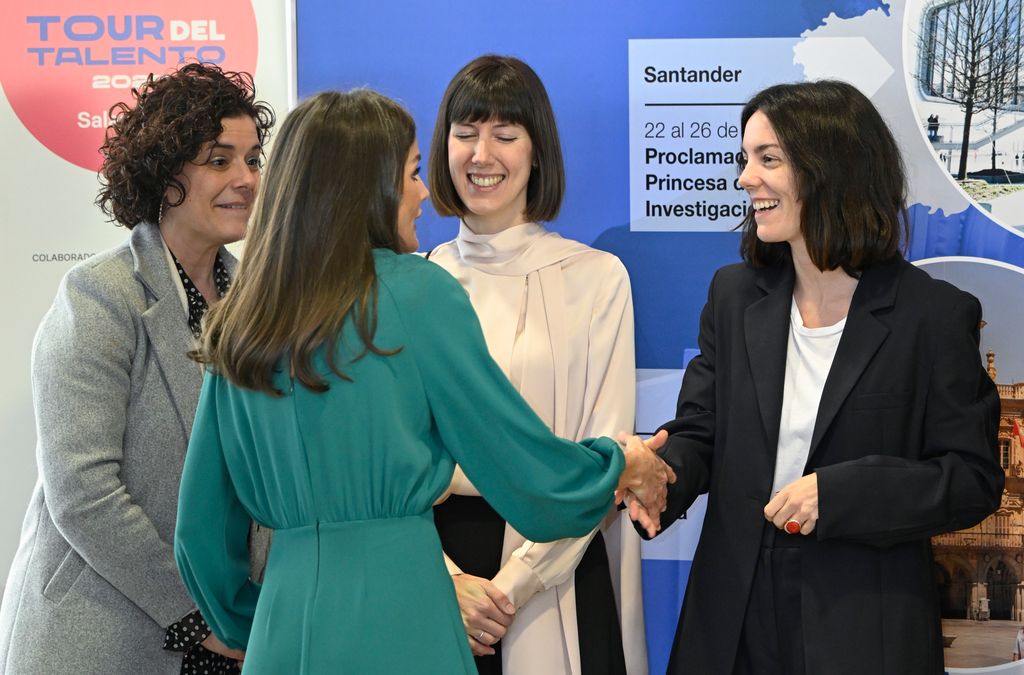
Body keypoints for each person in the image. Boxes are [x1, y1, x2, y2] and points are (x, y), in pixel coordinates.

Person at [172, 88, 671, 674]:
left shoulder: (241, 317)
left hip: (284, 632)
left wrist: (261, 622)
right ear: (367, 187)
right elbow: (535, 484)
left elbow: (200, 534)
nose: (424, 192)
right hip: (402, 621)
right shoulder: (418, 292)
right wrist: (621, 461)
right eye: (410, 173)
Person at [646, 80, 1002, 675]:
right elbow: (702, 432)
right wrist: (661, 472)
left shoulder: (933, 316)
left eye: (768, 159)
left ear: (830, 169)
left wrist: (841, 493)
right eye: (745, 159)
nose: (744, 179)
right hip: (730, 617)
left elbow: (970, 479)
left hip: (862, 625)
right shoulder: (733, 297)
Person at [0, 63, 274, 674]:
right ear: (165, 171)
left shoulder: (256, 300)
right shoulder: (99, 294)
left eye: (253, 160)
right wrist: (197, 616)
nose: (246, 179)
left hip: (233, 636)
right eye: (219, 159)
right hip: (106, 635)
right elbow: (82, 492)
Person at [427, 54, 646, 675]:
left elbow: (604, 457)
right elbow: (392, 461)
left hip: (559, 565)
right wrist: (445, 580)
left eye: (505, 135)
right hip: (436, 569)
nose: (481, 155)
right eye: (465, 134)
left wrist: (514, 585)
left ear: (537, 149)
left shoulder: (596, 278)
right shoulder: (416, 282)